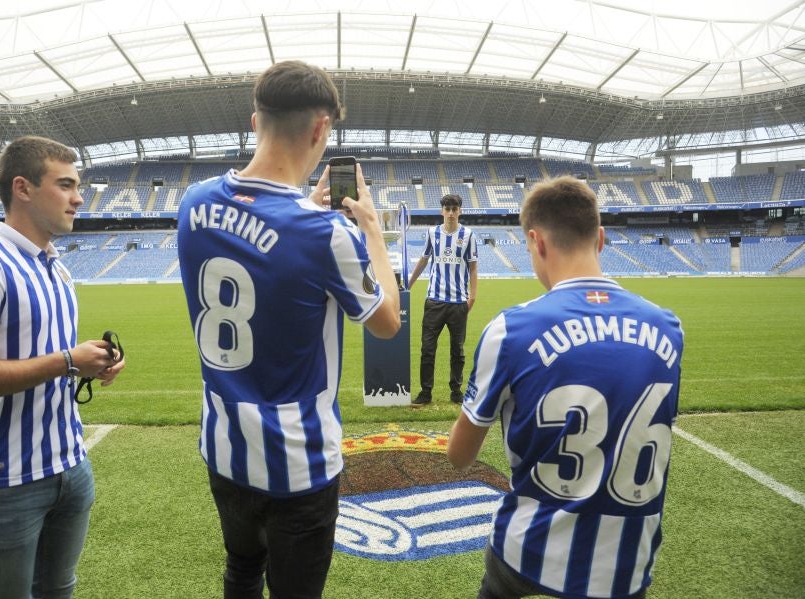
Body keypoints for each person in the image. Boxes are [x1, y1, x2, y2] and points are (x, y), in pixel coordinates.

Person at [177, 60, 400, 599]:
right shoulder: (325, 232)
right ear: (321, 129)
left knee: (242, 569)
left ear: (256, 121)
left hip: (225, 445)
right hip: (298, 462)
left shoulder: (193, 202)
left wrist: (305, 209)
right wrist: (370, 228)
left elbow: (261, 232)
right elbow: (387, 322)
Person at [447, 176, 683, 599]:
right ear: (602, 239)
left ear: (536, 242)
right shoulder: (668, 328)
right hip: (625, 566)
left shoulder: (512, 329)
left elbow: (459, 456)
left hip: (528, 555)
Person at [0, 135, 125, 599]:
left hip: (70, 463)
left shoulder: (57, 269)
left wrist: (91, 365)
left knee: (58, 589)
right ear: (22, 188)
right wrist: (66, 361)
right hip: (5, 479)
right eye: (65, 185)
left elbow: (48, 357)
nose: (79, 197)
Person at [407, 193, 478, 405]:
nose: (450, 213)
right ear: (442, 211)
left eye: (454, 209)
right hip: (434, 301)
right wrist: (408, 285)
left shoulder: (468, 235)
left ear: (460, 211)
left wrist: (472, 297)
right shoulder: (432, 233)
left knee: (458, 351)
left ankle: (456, 391)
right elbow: (423, 260)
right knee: (427, 349)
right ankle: (425, 392)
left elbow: (473, 267)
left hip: (458, 303)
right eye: (447, 209)